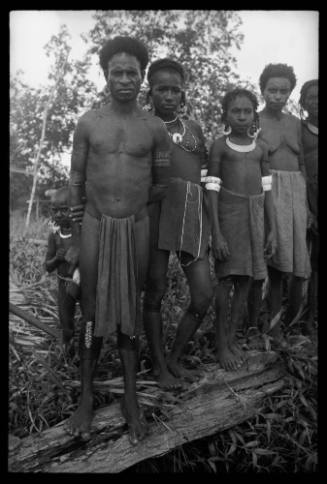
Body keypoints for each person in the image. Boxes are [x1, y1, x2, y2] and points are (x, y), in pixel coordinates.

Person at [64, 36, 171, 445]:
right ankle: (86, 397)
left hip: (136, 227)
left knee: (130, 306)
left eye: (132, 72)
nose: (125, 79)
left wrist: (130, 212)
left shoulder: (154, 127)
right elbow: (76, 179)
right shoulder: (89, 122)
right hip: (94, 224)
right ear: (105, 75)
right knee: (91, 311)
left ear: (142, 76)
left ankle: (130, 397)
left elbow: (160, 184)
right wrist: (77, 232)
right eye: (117, 72)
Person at [143, 58, 213, 388]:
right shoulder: (141, 126)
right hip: (155, 213)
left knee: (202, 296)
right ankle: (159, 366)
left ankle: (174, 359)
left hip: (191, 212)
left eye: (175, 89)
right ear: (150, 91)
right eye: (162, 89)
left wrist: (211, 222)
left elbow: (204, 177)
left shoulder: (195, 128)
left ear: (183, 93)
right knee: (154, 292)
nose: (169, 95)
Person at [207, 88, 276, 370]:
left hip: (254, 216)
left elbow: (268, 192)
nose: (242, 116)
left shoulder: (261, 149)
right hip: (228, 214)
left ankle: (233, 336)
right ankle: (221, 343)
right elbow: (211, 189)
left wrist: (271, 230)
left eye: (248, 111)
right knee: (226, 279)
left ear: (254, 115)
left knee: (246, 279)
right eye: (236, 111)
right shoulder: (219, 146)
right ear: (226, 114)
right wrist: (217, 232)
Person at [257, 63, 311, 339]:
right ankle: (273, 328)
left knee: (299, 268)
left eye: (284, 91)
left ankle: (291, 322)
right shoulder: (253, 120)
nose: (278, 96)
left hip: (296, 193)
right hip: (268, 191)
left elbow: (302, 162)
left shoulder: (295, 123)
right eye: (272, 90)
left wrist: (307, 206)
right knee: (275, 267)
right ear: (262, 90)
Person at [44, 186, 80, 351]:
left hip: (83, 283)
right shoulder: (55, 236)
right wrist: (57, 259)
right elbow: (47, 267)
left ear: (74, 209)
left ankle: (87, 351)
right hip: (64, 284)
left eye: (64, 210)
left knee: (90, 320)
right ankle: (68, 355)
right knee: (66, 322)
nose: (58, 215)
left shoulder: (83, 233)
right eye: (55, 211)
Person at [299, 79, 318, 333]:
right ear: (303, 102)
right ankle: (304, 317)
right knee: (305, 262)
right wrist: (306, 206)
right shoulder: (298, 129)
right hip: (306, 196)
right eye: (312, 97)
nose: (316, 101)